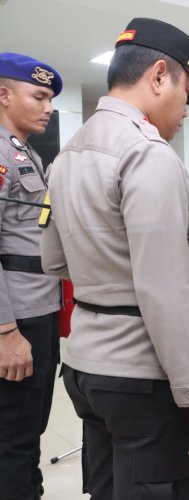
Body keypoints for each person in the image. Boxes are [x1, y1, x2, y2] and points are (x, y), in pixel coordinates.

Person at [40, 18, 189, 499]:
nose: (185, 109)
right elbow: (164, 292)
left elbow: (54, 261)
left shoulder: (67, 153)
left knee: (107, 488)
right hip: (141, 374)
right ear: (159, 75)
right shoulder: (149, 154)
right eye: (187, 92)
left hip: (85, 366)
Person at [0, 52, 62, 500]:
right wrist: (6, 331)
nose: (48, 107)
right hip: (17, 316)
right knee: (16, 438)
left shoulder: (25, 151)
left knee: (28, 429)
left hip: (38, 308)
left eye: (51, 99)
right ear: (3, 95)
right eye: (38, 95)